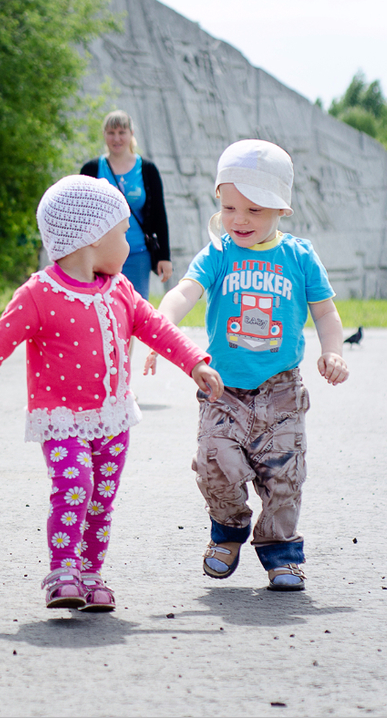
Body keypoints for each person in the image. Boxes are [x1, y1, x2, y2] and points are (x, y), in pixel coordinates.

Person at [0, 175, 223, 612]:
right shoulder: (40, 294)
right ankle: (63, 571)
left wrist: (194, 363)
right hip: (61, 419)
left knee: (101, 499)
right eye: (123, 233)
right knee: (75, 484)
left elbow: (158, 328)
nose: (129, 245)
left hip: (112, 418)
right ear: (93, 236)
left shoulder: (121, 290)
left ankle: (91, 574)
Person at [144, 139, 349, 592]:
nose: (239, 219)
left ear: (281, 210)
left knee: (285, 476)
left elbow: (326, 313)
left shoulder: (299, 256)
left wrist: (332, 350)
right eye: (230, 207)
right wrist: (161, 328)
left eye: (254, 210)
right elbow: (183, 293)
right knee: (213, 462)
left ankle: (281, 552)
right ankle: (228, 529)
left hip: (281, 390)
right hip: (223, 390)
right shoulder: (218, 254)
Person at [80, 110, 173, 300]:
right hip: (100, 255)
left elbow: (159, 214)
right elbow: (81, 215)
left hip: (138, 253)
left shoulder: (147, 169)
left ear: (131, 134)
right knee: (102, 306)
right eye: (111, 133)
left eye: (122, 132)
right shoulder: (91, 169)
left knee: (135, 307)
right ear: (104, 135)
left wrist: (165, 256)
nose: (117, 138)